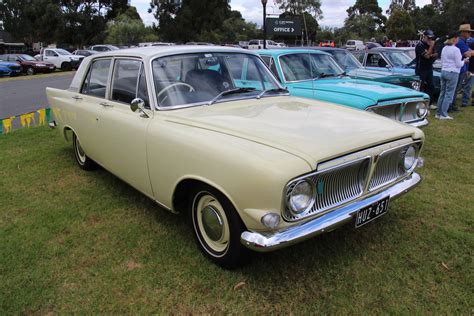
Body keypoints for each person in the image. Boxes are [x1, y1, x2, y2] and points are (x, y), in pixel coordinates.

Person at [436, 32, 467, 120]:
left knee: (442, 93)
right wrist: (464, 61)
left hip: (444, 71)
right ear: (455, 39)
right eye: (457, 38)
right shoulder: (456, 50)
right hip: (453, 72)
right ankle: (444, 114)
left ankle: (438, 113)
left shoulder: (444, 48)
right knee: (449, 94)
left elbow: (442, 61)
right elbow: (458, 64)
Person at [450, 24, 474, 111]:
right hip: (459, 68)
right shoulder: (460, 42)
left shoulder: (463, 42)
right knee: (455, 88)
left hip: (462, 68)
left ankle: (452, 104)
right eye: (468, 32)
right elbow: (467, 53)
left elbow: (469, 52)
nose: (469, 34)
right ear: (463, 33)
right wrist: (470, 52)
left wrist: (470, 52)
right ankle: (451, 105)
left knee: (457, 87)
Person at [415, 30, 438, 109]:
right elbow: (427, 56)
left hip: (429, 68)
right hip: (421, 69)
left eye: (432, 38)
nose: (430, 40)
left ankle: (429, 103)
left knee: (431, 86)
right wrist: (431, 49)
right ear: (424, 37)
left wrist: (431, 53)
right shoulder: (420, 45)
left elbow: (435, 55)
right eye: (428, 38)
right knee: (420, 87)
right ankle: (418, 104)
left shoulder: (430, 45)